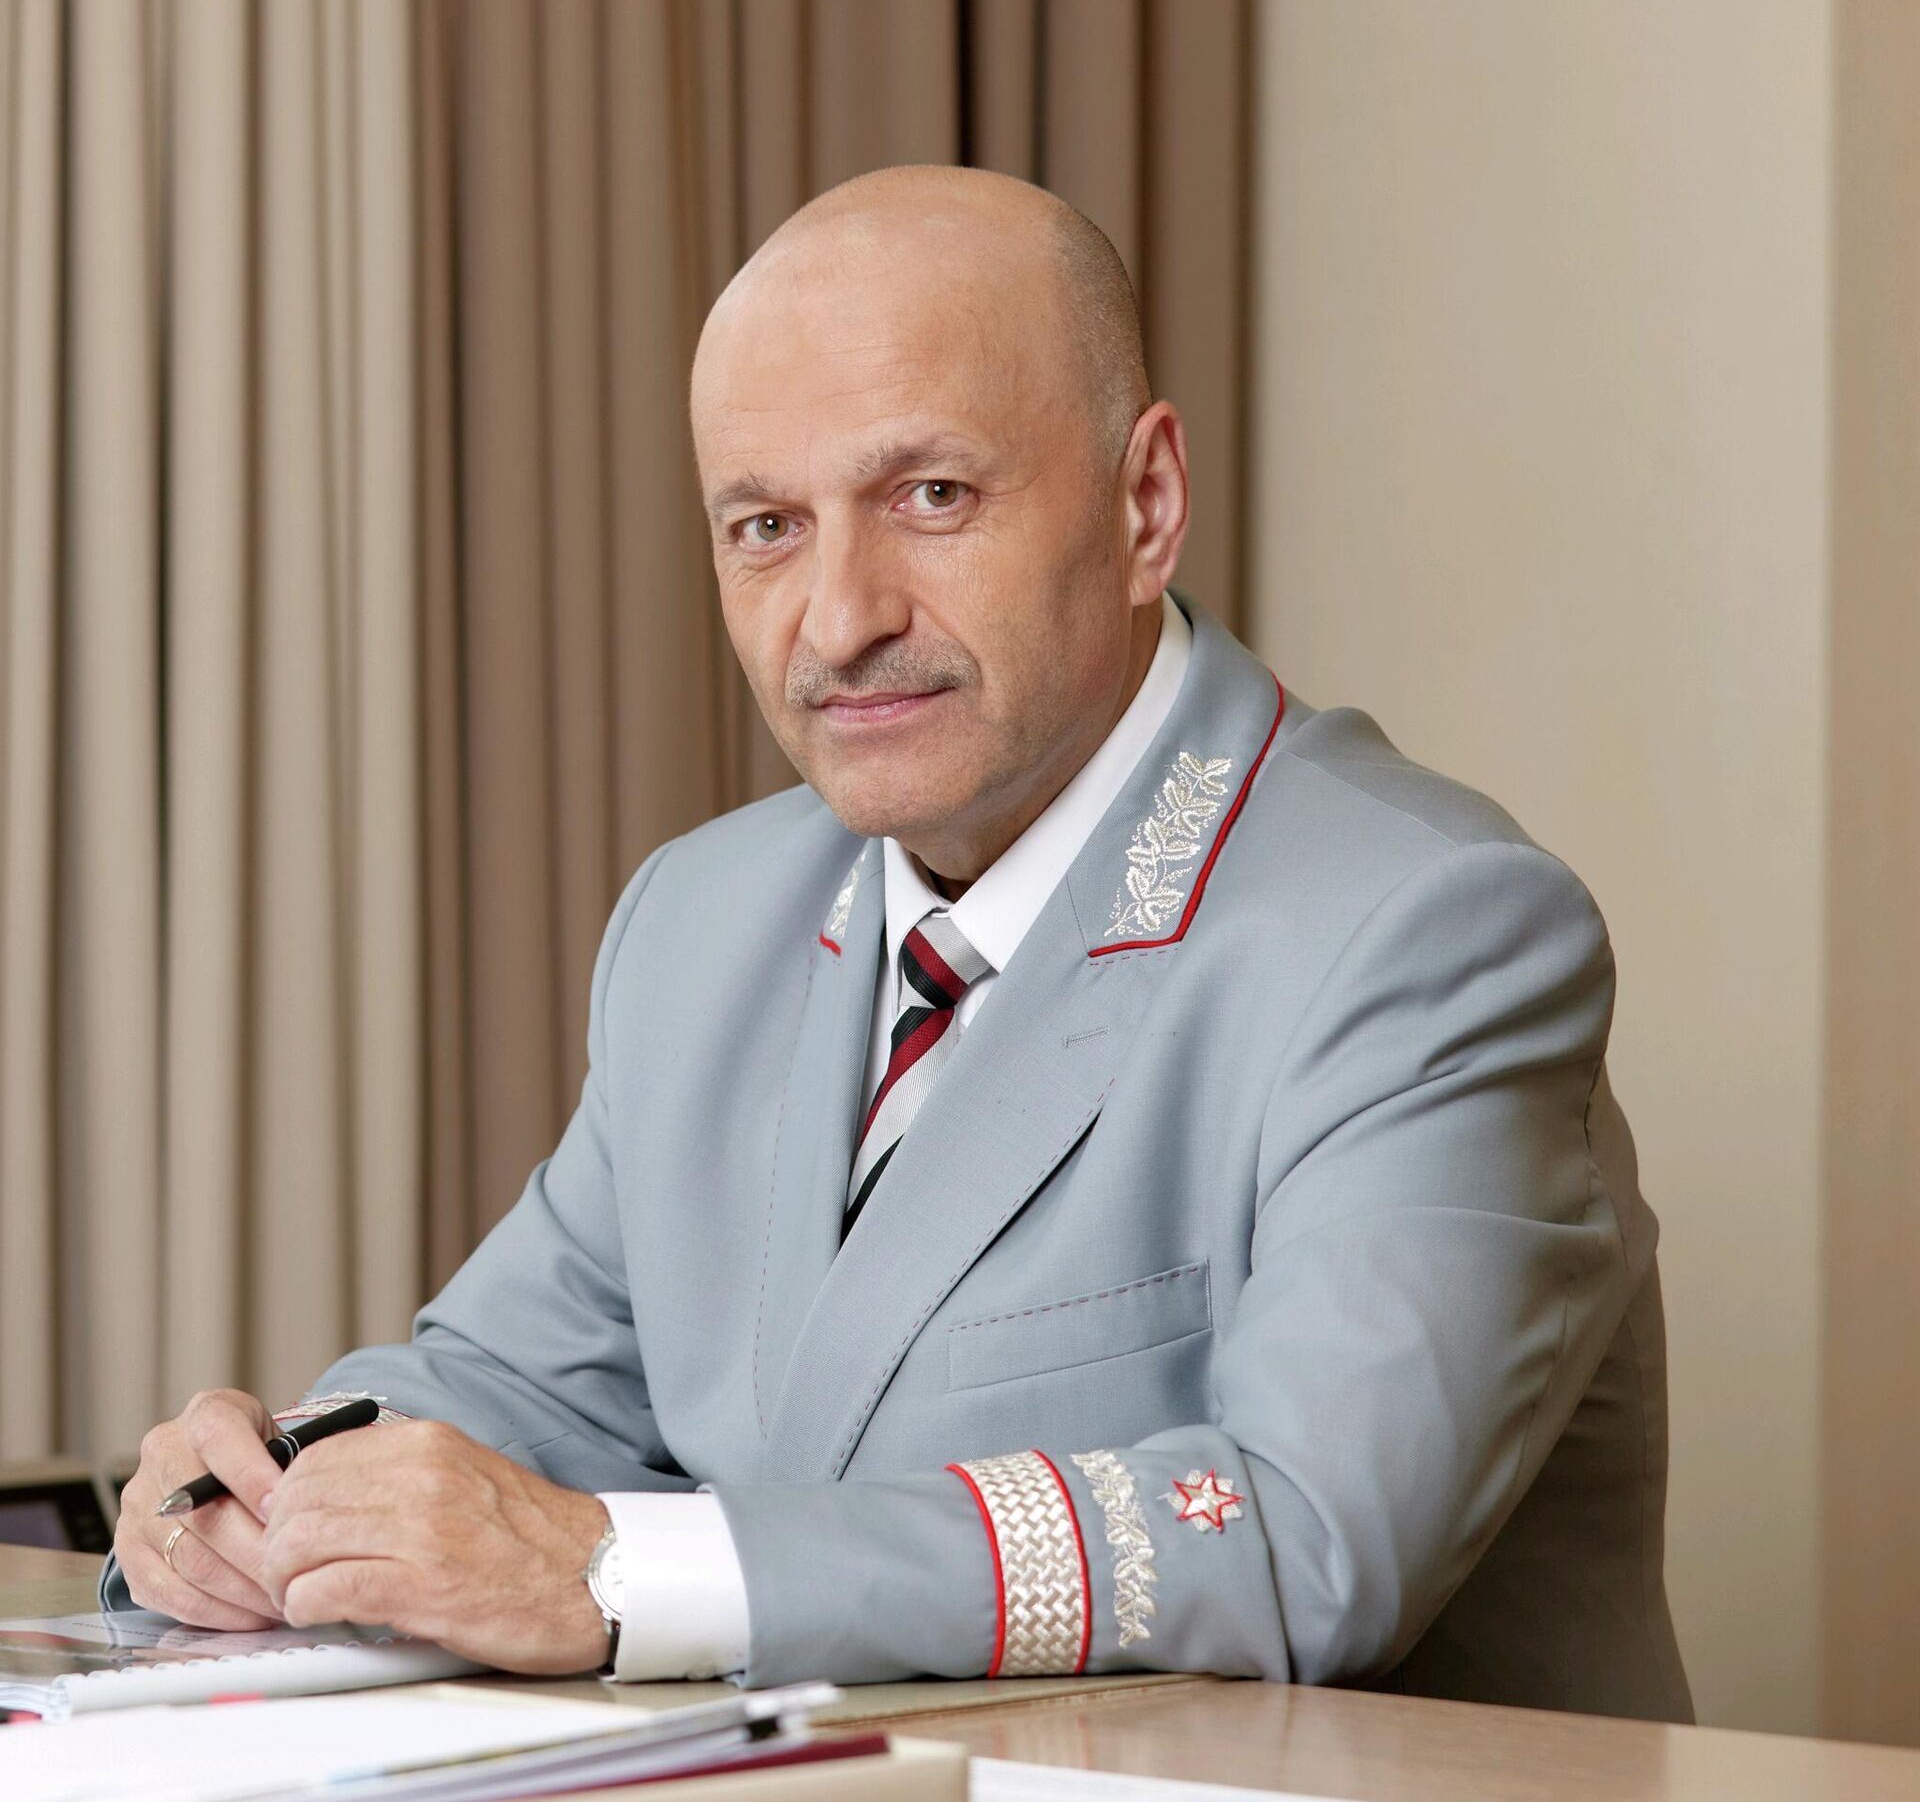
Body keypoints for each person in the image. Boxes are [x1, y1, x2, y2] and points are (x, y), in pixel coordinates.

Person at [104, 165, 1692, 1721]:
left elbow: (1306, 1534)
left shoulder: (1425, 929)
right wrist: (270, 1495)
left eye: (932, 497)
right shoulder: (702, 920)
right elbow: (523, 1387)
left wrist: (608, 1573)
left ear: (1144, 504)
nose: (838, 617)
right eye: (765, 526)